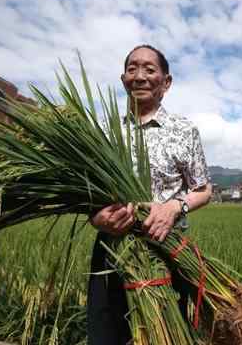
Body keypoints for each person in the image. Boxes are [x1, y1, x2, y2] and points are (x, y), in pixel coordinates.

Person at [87, 44, 212, 345]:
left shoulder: (183, 129)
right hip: (112, 250)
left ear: (166, 82)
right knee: (107, 335)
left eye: (149, 69)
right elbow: (87, 192)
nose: (140, 76)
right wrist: (96, 217)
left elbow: (203, 189)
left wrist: (173, 207)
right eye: (132, 69)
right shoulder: (105, 131)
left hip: (166, 249)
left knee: (167, 335)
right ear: (123, 79)